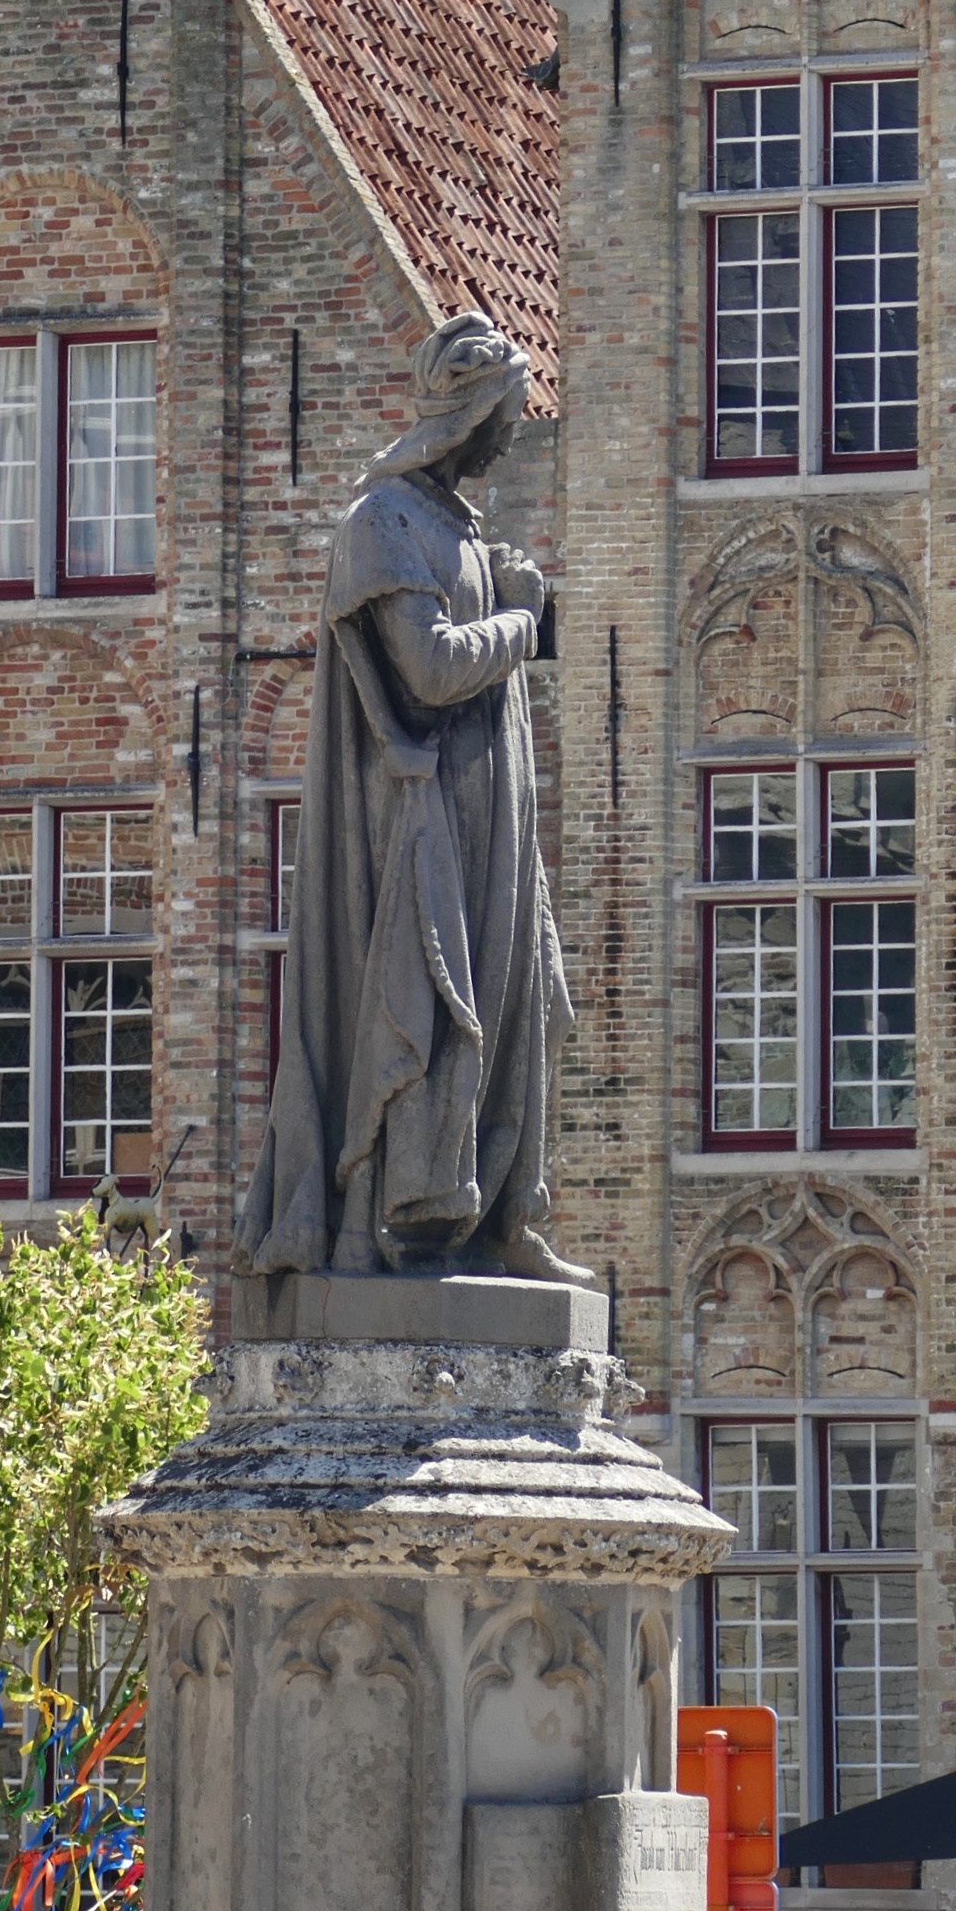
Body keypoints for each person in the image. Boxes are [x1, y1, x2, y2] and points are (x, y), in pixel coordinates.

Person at [240, 310, 585, 1283]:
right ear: (472, 416)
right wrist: (522, 618)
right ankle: (409, 1210)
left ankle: (504, 1209)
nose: (517, 432)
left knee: (516, 1000)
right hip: (423, 822)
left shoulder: (452, 528)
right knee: (436, 1006)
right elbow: (429, 670)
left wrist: (513, 600)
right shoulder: (383, 523)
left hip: (492, 810)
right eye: (510, 414)